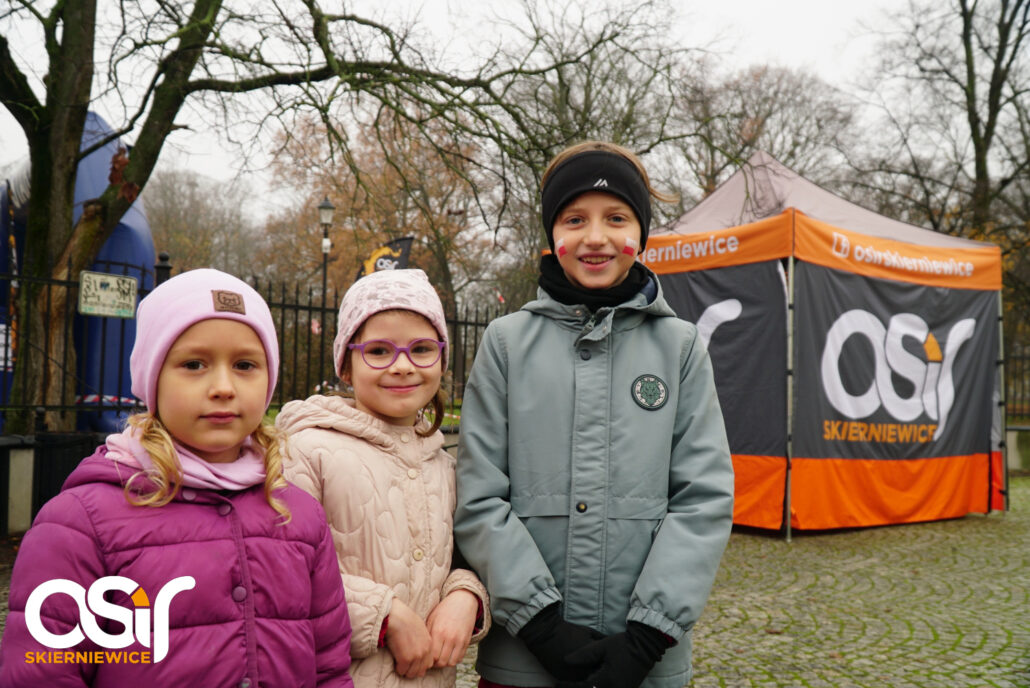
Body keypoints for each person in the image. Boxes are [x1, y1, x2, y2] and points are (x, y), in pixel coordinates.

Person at [454, 141, 735, 688]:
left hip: (645, 664)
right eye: (575, 219)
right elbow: (479, 495)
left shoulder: (679, 347)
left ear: (641, 233)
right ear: (552, 234)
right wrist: (538, 621)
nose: (596, 237)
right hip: (524, 661)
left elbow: (703, 497)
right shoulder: (506, 343)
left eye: (616, 218)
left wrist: (650, 633)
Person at [0, 269, 353, 687]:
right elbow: (41, 672)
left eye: (244, 365)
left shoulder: (300, 515)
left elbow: (330, 668)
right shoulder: (78, 523)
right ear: (153, 378)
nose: (223, 387)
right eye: (194, 364)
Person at [277, 268, 490, 688]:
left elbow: (464, 558)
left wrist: (466, 596)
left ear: (442, 360)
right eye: (378, 351)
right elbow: (282, 574)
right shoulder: (306, 452)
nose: (403, 366)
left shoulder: (445, 465)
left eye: (421, 349)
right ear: (346, 365)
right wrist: (383, 615)